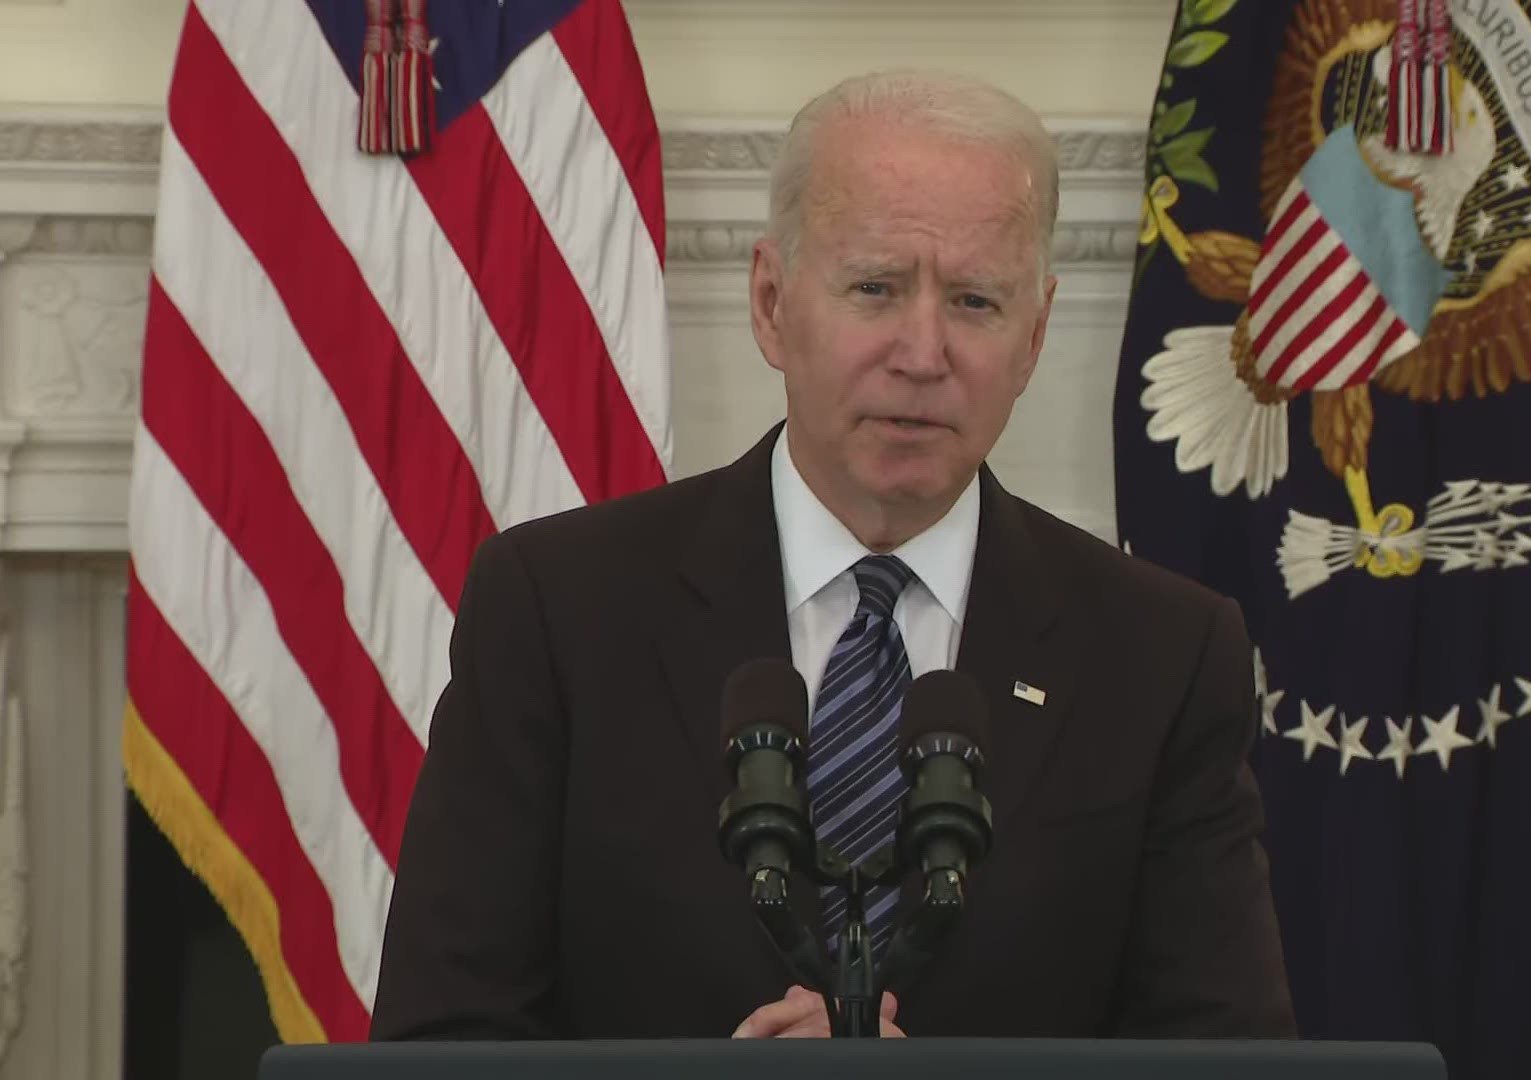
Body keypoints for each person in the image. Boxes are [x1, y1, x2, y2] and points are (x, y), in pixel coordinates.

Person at [367, 68, 1295, 1041]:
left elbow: (1227, 1059)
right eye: (876, 288)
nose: (922, 351)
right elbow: (441, 1042)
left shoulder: (1163, 655)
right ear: (772, 303)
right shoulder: (558, 613)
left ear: (1034, 336)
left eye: (976, 302)